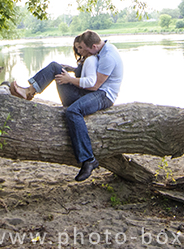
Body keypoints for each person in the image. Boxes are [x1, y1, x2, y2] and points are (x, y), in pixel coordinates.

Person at [9, 30, 124, 181]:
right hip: (91, 92)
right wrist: (71, 69)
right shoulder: (99, 51)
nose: (79, 52)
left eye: (82, 48)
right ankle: (29, 91)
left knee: (73, 111)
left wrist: (69, 79)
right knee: (55, 67)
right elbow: (90, 74)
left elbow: (94, 85)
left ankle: (88, 159)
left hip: (104, 95)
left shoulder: (108, 56)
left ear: (94, 46)